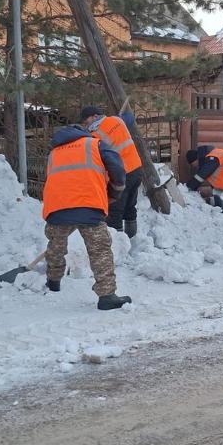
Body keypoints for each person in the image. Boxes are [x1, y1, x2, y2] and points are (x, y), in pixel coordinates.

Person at [42, 119, 132, 310]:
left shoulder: (53, 153)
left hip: (57, 205)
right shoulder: (95, 144)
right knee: (99, 249)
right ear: (83, 133)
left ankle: (53, 282)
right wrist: (115, 192)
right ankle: (107, 296)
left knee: (56, 245)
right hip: (88, 204)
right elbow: (117, 167)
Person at [80, 105, 142, 238]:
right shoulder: (117, 120)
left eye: (86, 121)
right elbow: (130, 117)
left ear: (95, 116)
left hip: (122, 174)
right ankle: (133, 238)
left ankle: (118, 244)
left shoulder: (95, 135)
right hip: (136, 168)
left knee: (115, 211)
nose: (85, 124)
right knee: (130, 206)